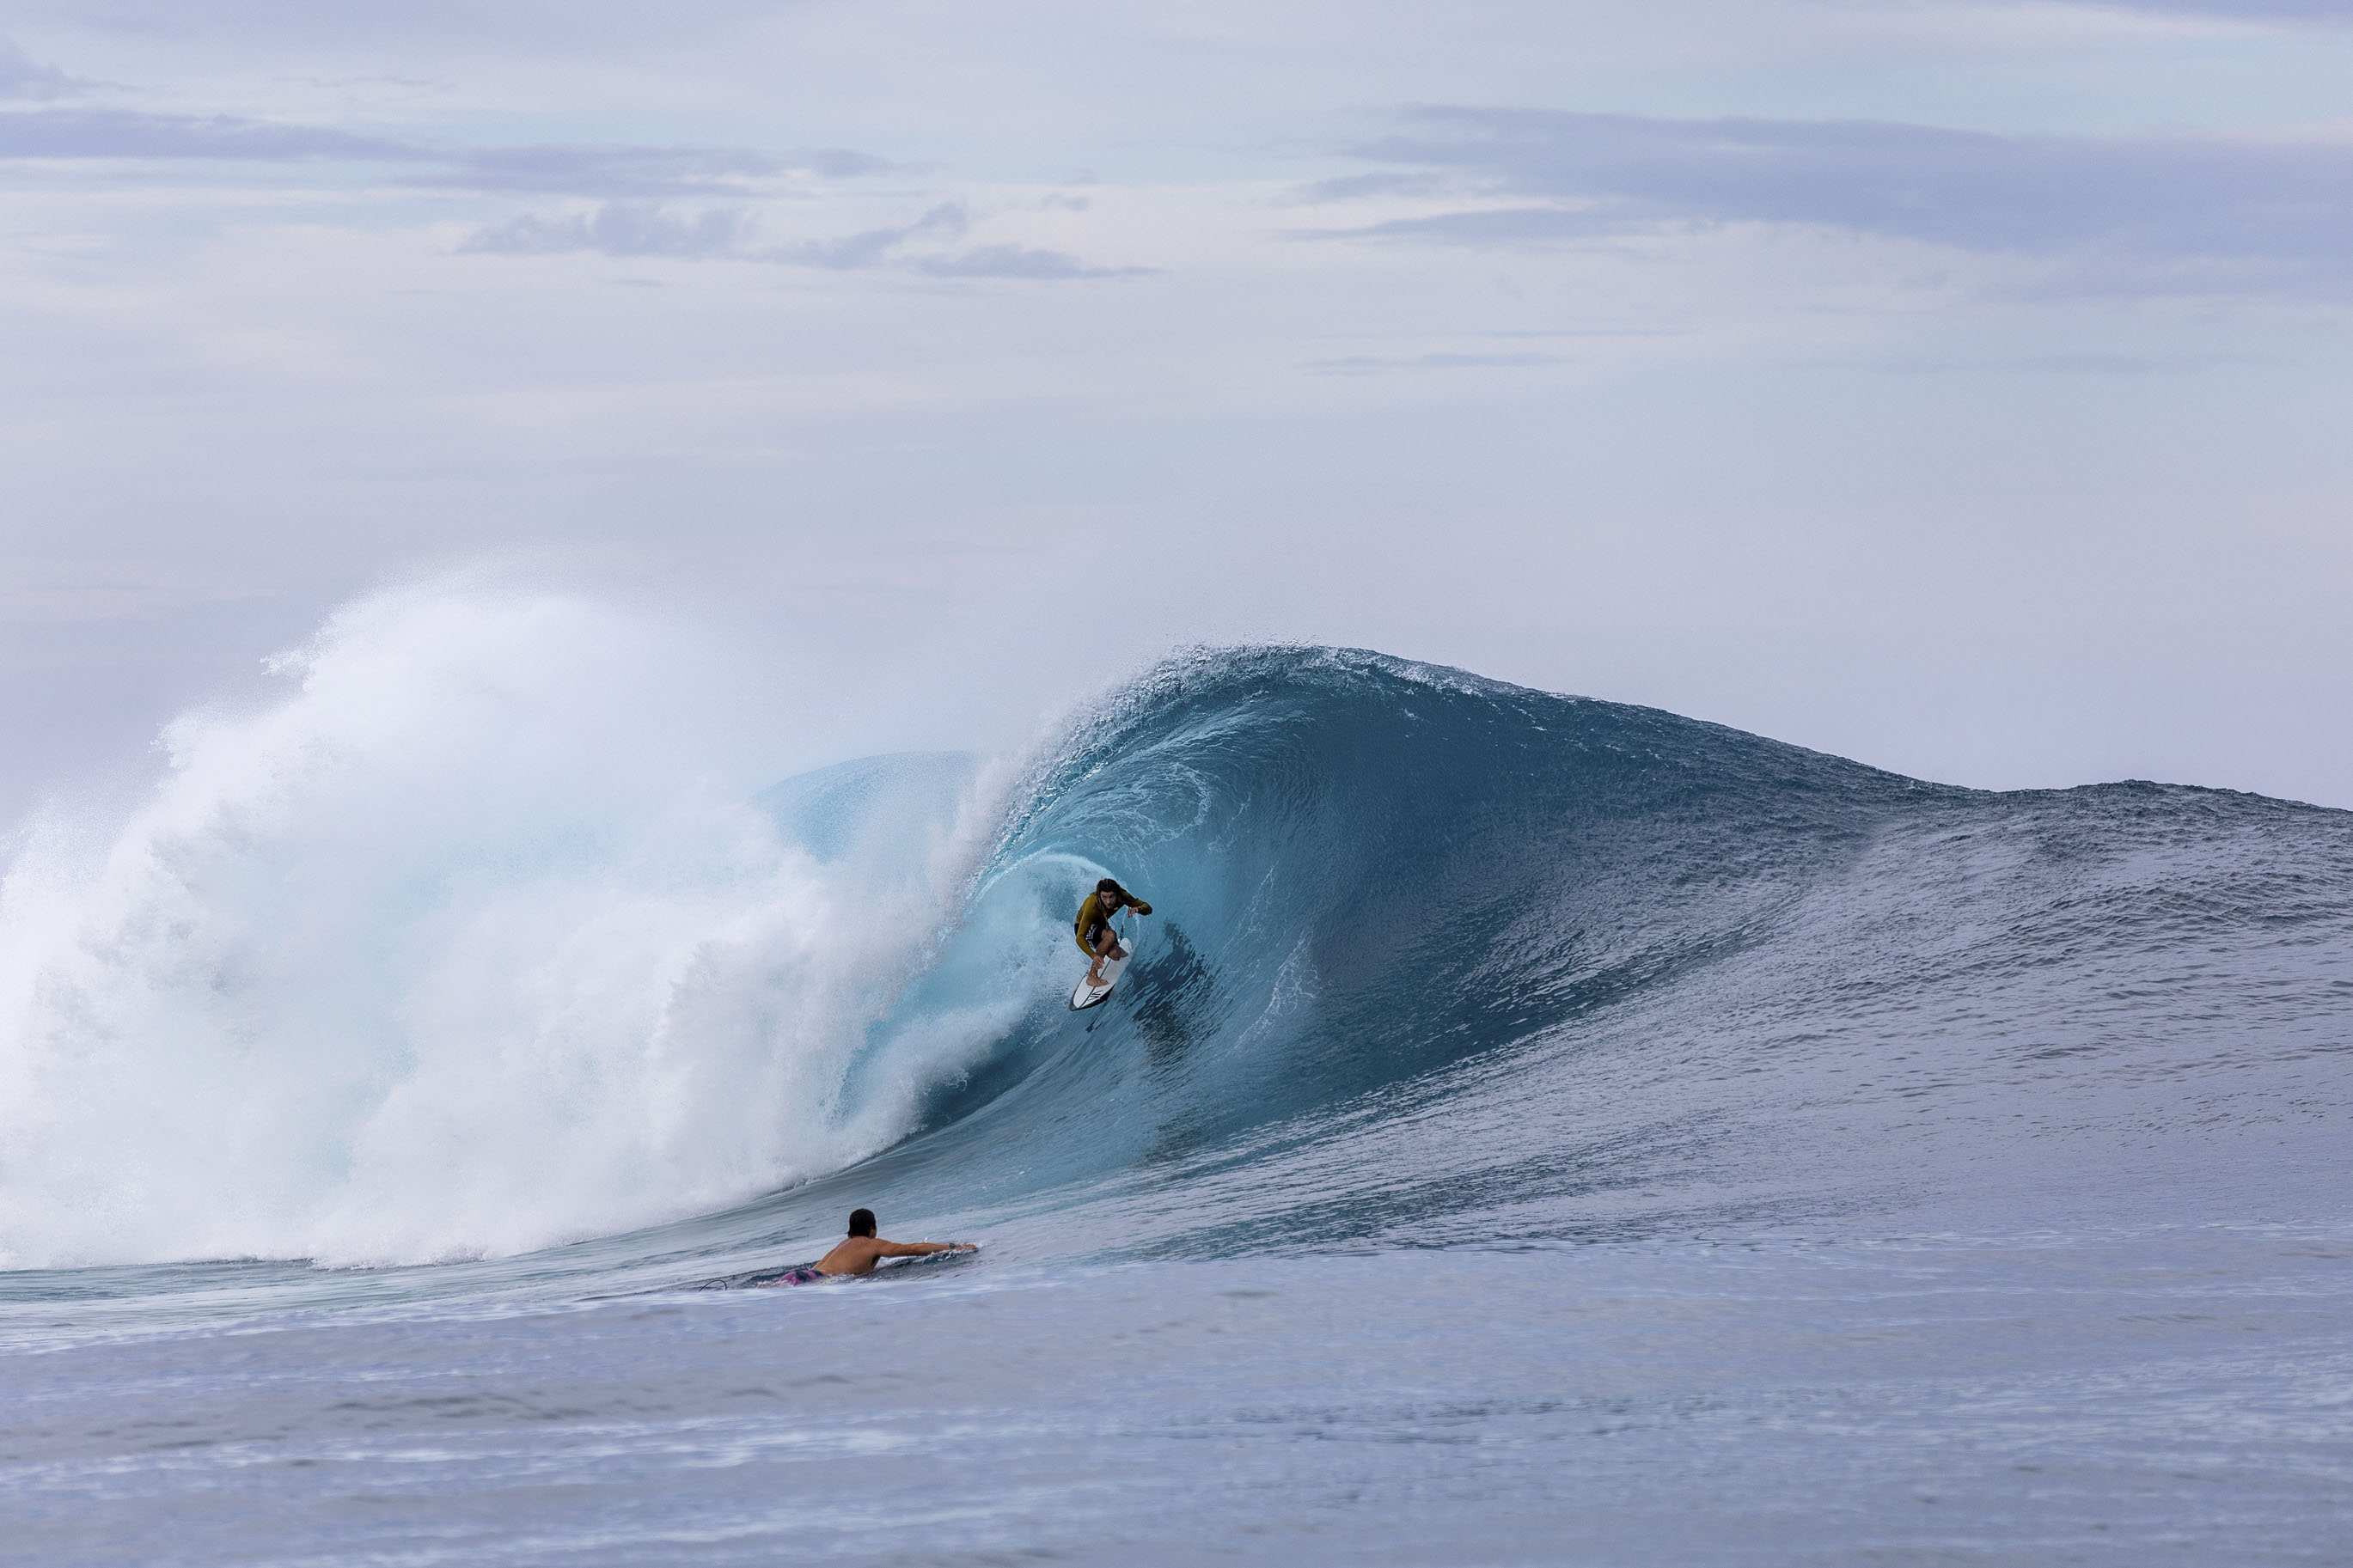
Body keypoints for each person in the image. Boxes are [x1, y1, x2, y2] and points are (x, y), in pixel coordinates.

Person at [763, 1209, 978, 1286]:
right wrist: (954, 1246)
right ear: (872, 1229)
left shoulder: (842, 1245)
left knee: (771, 1290)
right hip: (818, 1281)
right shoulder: (872, 1244)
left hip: (800, 1275)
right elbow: (912, 1248)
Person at [1074, 876, 1153, 987]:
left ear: (1116, 893)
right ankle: (1092, 976)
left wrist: (1138, 909)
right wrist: (1093, 956)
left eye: (1112, 896)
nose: (1108, 901)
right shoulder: (1092, 904)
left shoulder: (1123, 896)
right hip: (1084, 928)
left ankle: (1111, 947)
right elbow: (1079, 937)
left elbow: (1148, 908)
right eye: (1104, 897)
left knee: (1115, 955)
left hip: (1101, 926)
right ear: (1099, 895)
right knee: (1111, 935)